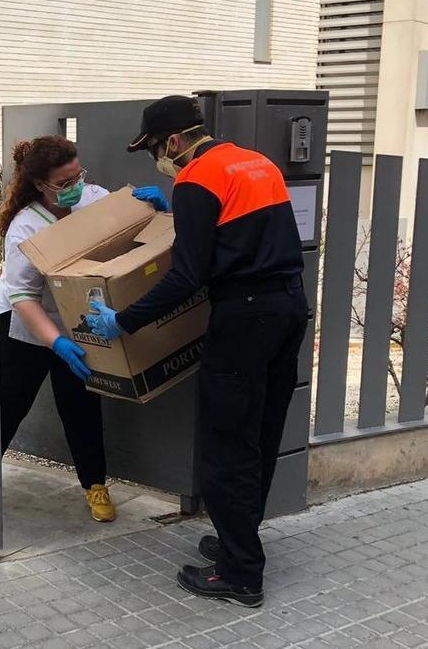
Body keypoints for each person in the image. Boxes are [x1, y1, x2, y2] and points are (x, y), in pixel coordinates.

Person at [88, 96, 307, 607]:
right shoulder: (255, 163)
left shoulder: (195, 179)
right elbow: (237, 233)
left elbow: (188, 275)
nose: (157, 162)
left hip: (244, 317)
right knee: (260, 431)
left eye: (154, 151)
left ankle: (240, 574)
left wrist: (123, 320)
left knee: (225, 444)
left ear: (173, 141)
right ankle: (239, 539)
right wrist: (177, 214)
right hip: (288, 309)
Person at [0, 135, 168, 523]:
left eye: (78, 175)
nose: (76, 186)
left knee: (82, 406)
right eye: (64, 182)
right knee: (10, 404)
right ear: (40, 184)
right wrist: (55, 343)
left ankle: (95, 486)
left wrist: (156, 213)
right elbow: (22, 296)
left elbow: (131, 236)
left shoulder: (94, 199)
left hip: (83, 320)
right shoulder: (26, 228)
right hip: (26, 323)